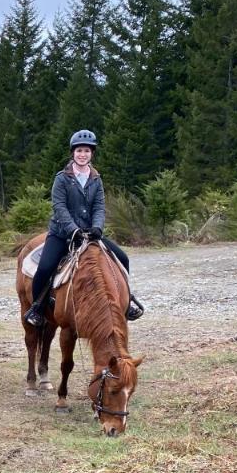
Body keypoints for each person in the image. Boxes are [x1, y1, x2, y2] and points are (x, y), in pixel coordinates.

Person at [23, 129, 145, 327]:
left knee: (123, 258)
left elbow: (99, 206)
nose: (83, 154)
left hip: (90, 235)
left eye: (87, 151)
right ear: (73, 152)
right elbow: (59, 207)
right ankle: (37, 308)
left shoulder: (96, 179)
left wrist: (97, 227)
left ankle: (127, 300)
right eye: (79, 150)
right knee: (45, 267)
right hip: (62, 234)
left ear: (92, 154)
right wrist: (73, 230)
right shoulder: (61, 178)